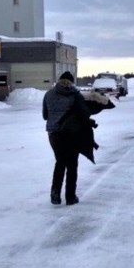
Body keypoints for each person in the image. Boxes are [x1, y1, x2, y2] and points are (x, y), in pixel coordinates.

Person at [42, 71, 92, 206]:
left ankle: (55, 194)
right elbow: (84, 114)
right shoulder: (75, 95)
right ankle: (70, 197)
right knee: (72, 165)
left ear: (59, 81)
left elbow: (45, 116)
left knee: (60, 162)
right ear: (72, 82)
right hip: (72, 133)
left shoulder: (49, 94)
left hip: (54, 133)